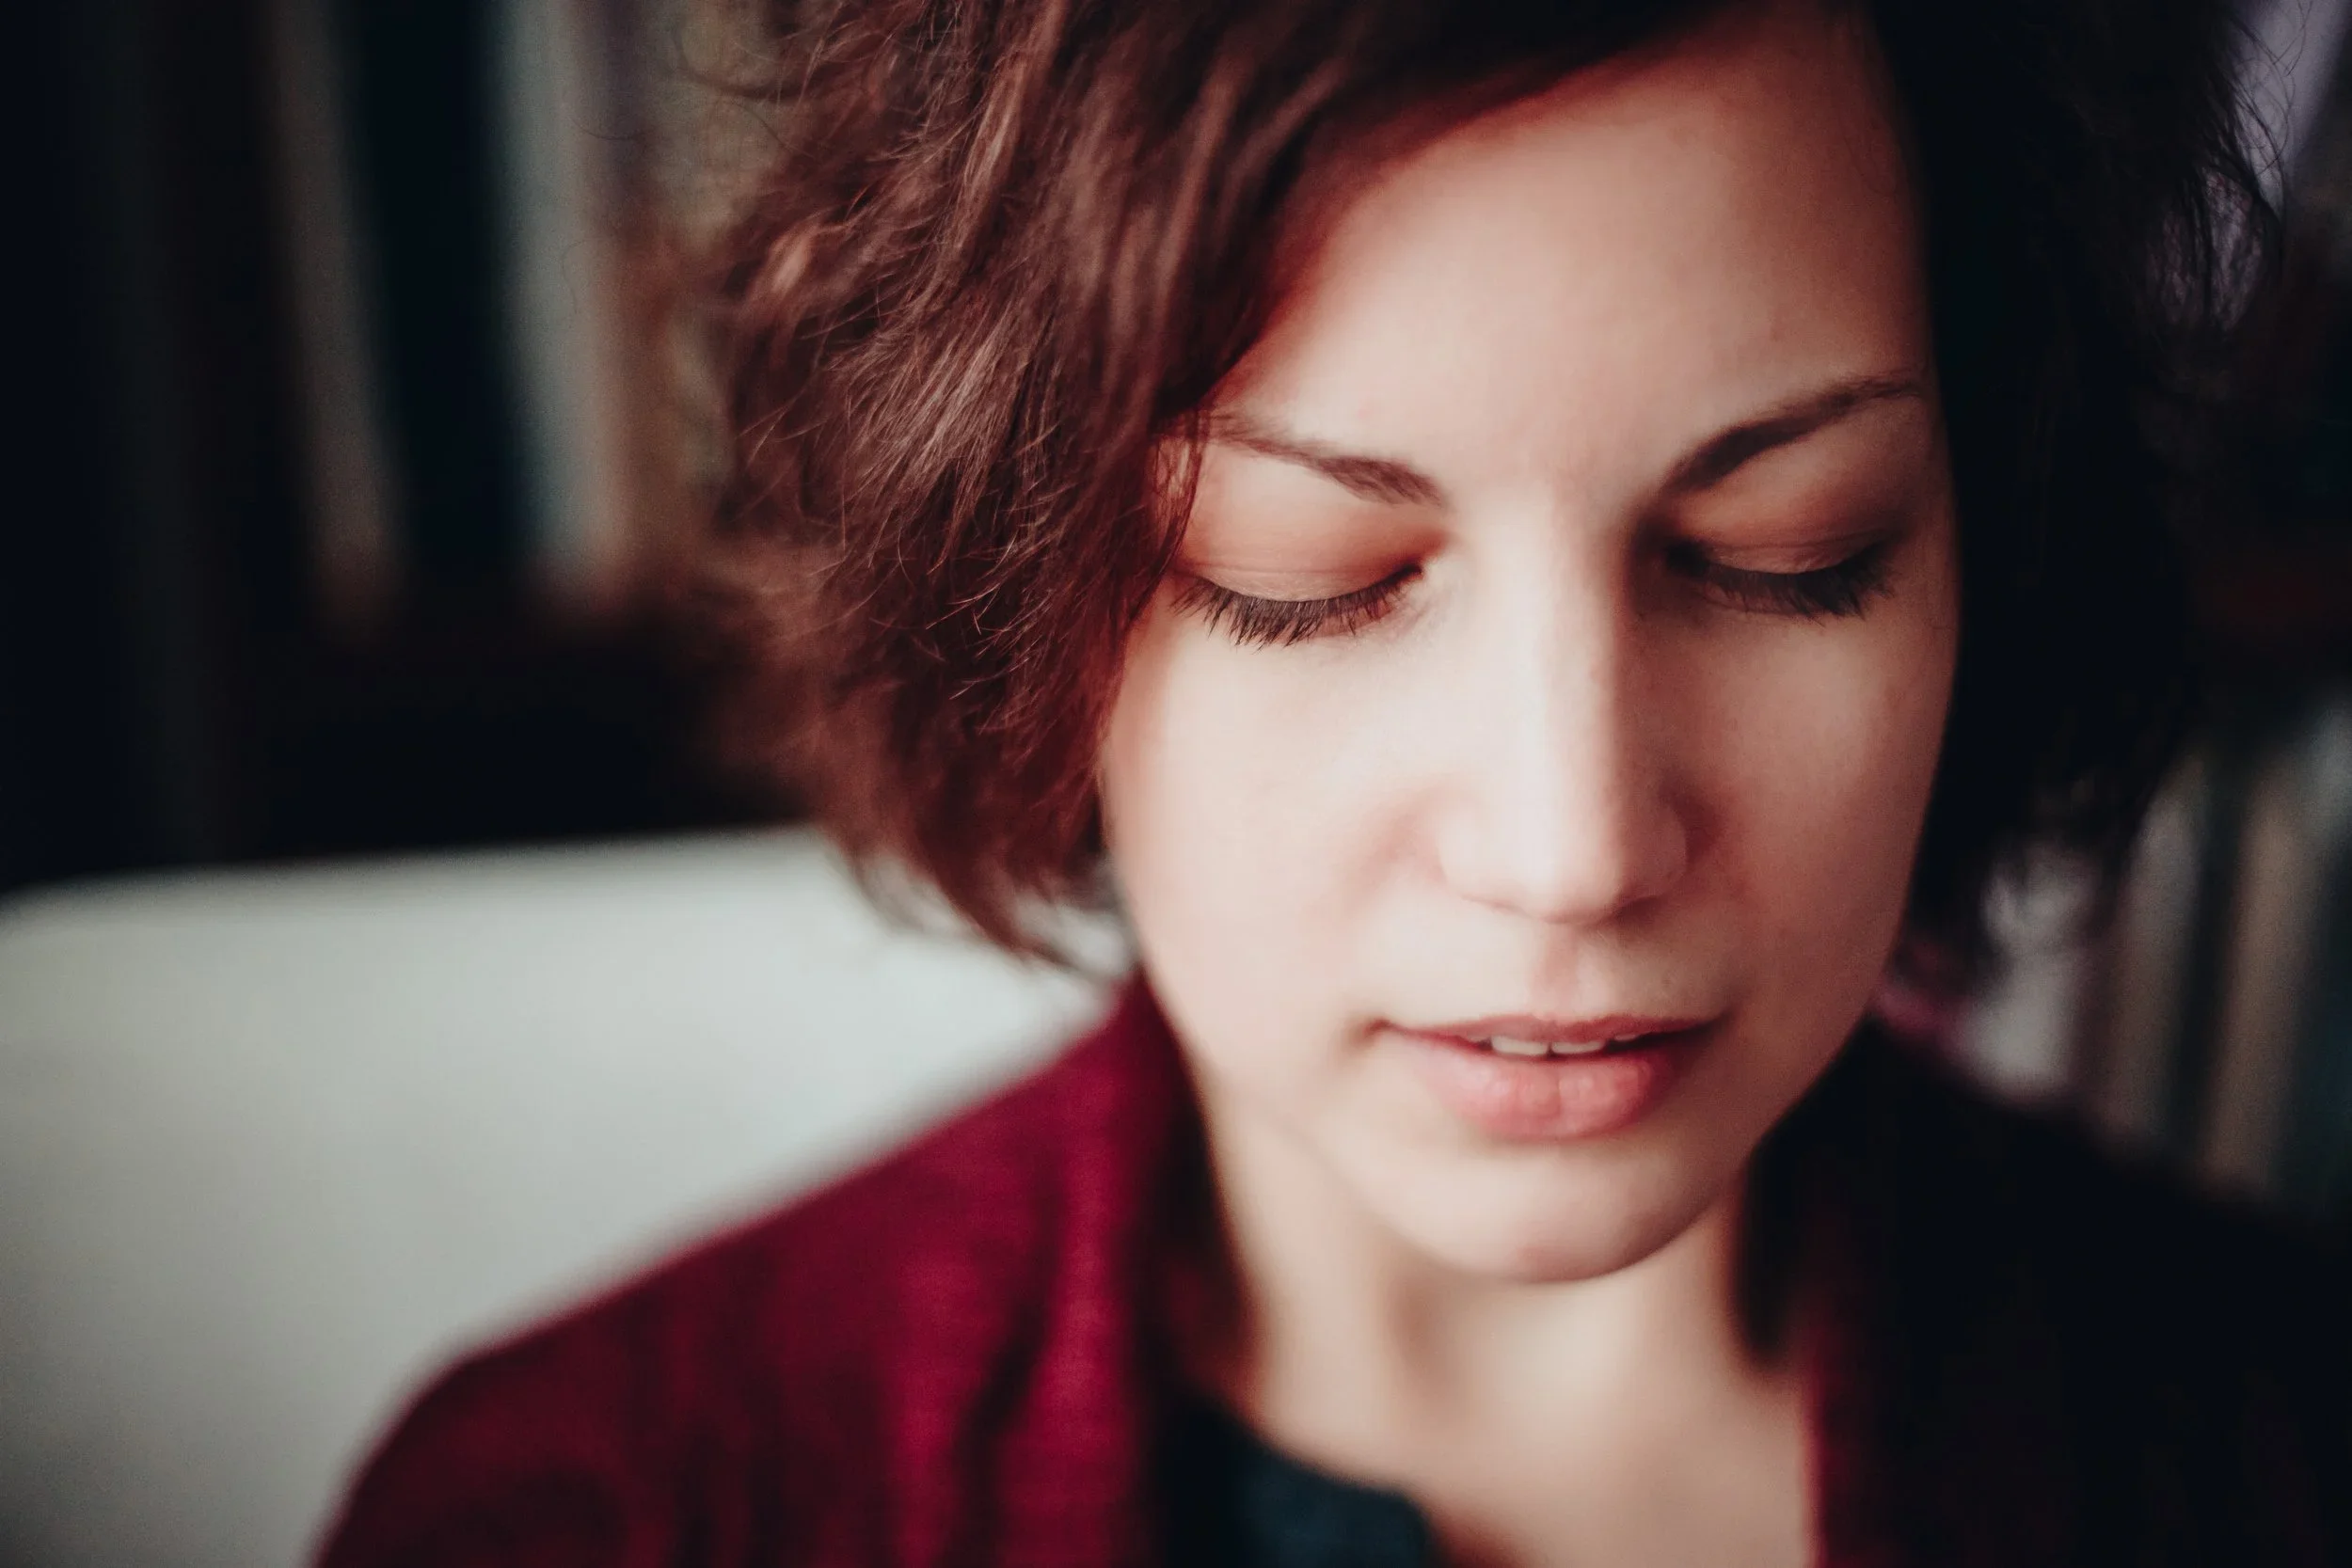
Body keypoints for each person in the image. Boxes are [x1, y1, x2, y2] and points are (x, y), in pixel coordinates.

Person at [316, 0, 2351, 1562]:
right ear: (1014, 597)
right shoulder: (604, 1505)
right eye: (1308, 585)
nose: (1569, 846)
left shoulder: (2269, 1447)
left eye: (1781, 551)